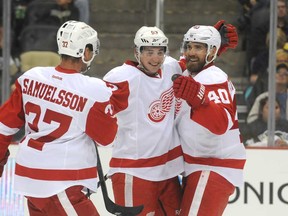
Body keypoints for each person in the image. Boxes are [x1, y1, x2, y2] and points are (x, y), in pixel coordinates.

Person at [103, 21, 238, 215]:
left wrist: (212, 48)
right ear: (137, 52)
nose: (155, 58)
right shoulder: (121, 78)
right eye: (148, 52)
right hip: (134, 172)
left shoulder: (171, 67)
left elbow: (193, 63)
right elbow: (94, 109)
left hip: (167, 172)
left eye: (160, 51)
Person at [0, 20, 118, 216]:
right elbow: (107, 138)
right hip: (62, 184)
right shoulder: (93, 88)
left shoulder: (30, 77)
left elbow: (4, 126)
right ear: (86, 52)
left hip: (29, 180)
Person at [172, 25, 246, 216]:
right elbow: (181, 63)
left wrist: (200, 100)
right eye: (189, 46)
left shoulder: (213, 78)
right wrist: (210, 39)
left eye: (198, 47)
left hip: (213, 167)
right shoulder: (190, 73)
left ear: (212, 51)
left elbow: (221, 123)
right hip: (198, 166)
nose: (190, 53)